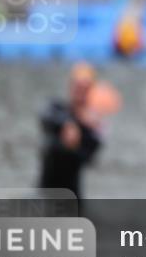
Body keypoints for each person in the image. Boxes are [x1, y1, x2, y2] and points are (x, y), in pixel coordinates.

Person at [37, 62, 120, 202]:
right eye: (77, 86)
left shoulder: (96, 126)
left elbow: (88, 157)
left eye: (85, 88)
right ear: (70, 86)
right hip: (45, 192)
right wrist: (67, 124)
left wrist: (79, 136)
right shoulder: (57, 108)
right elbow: (44, 118)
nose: (80, 92)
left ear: (92, 91)